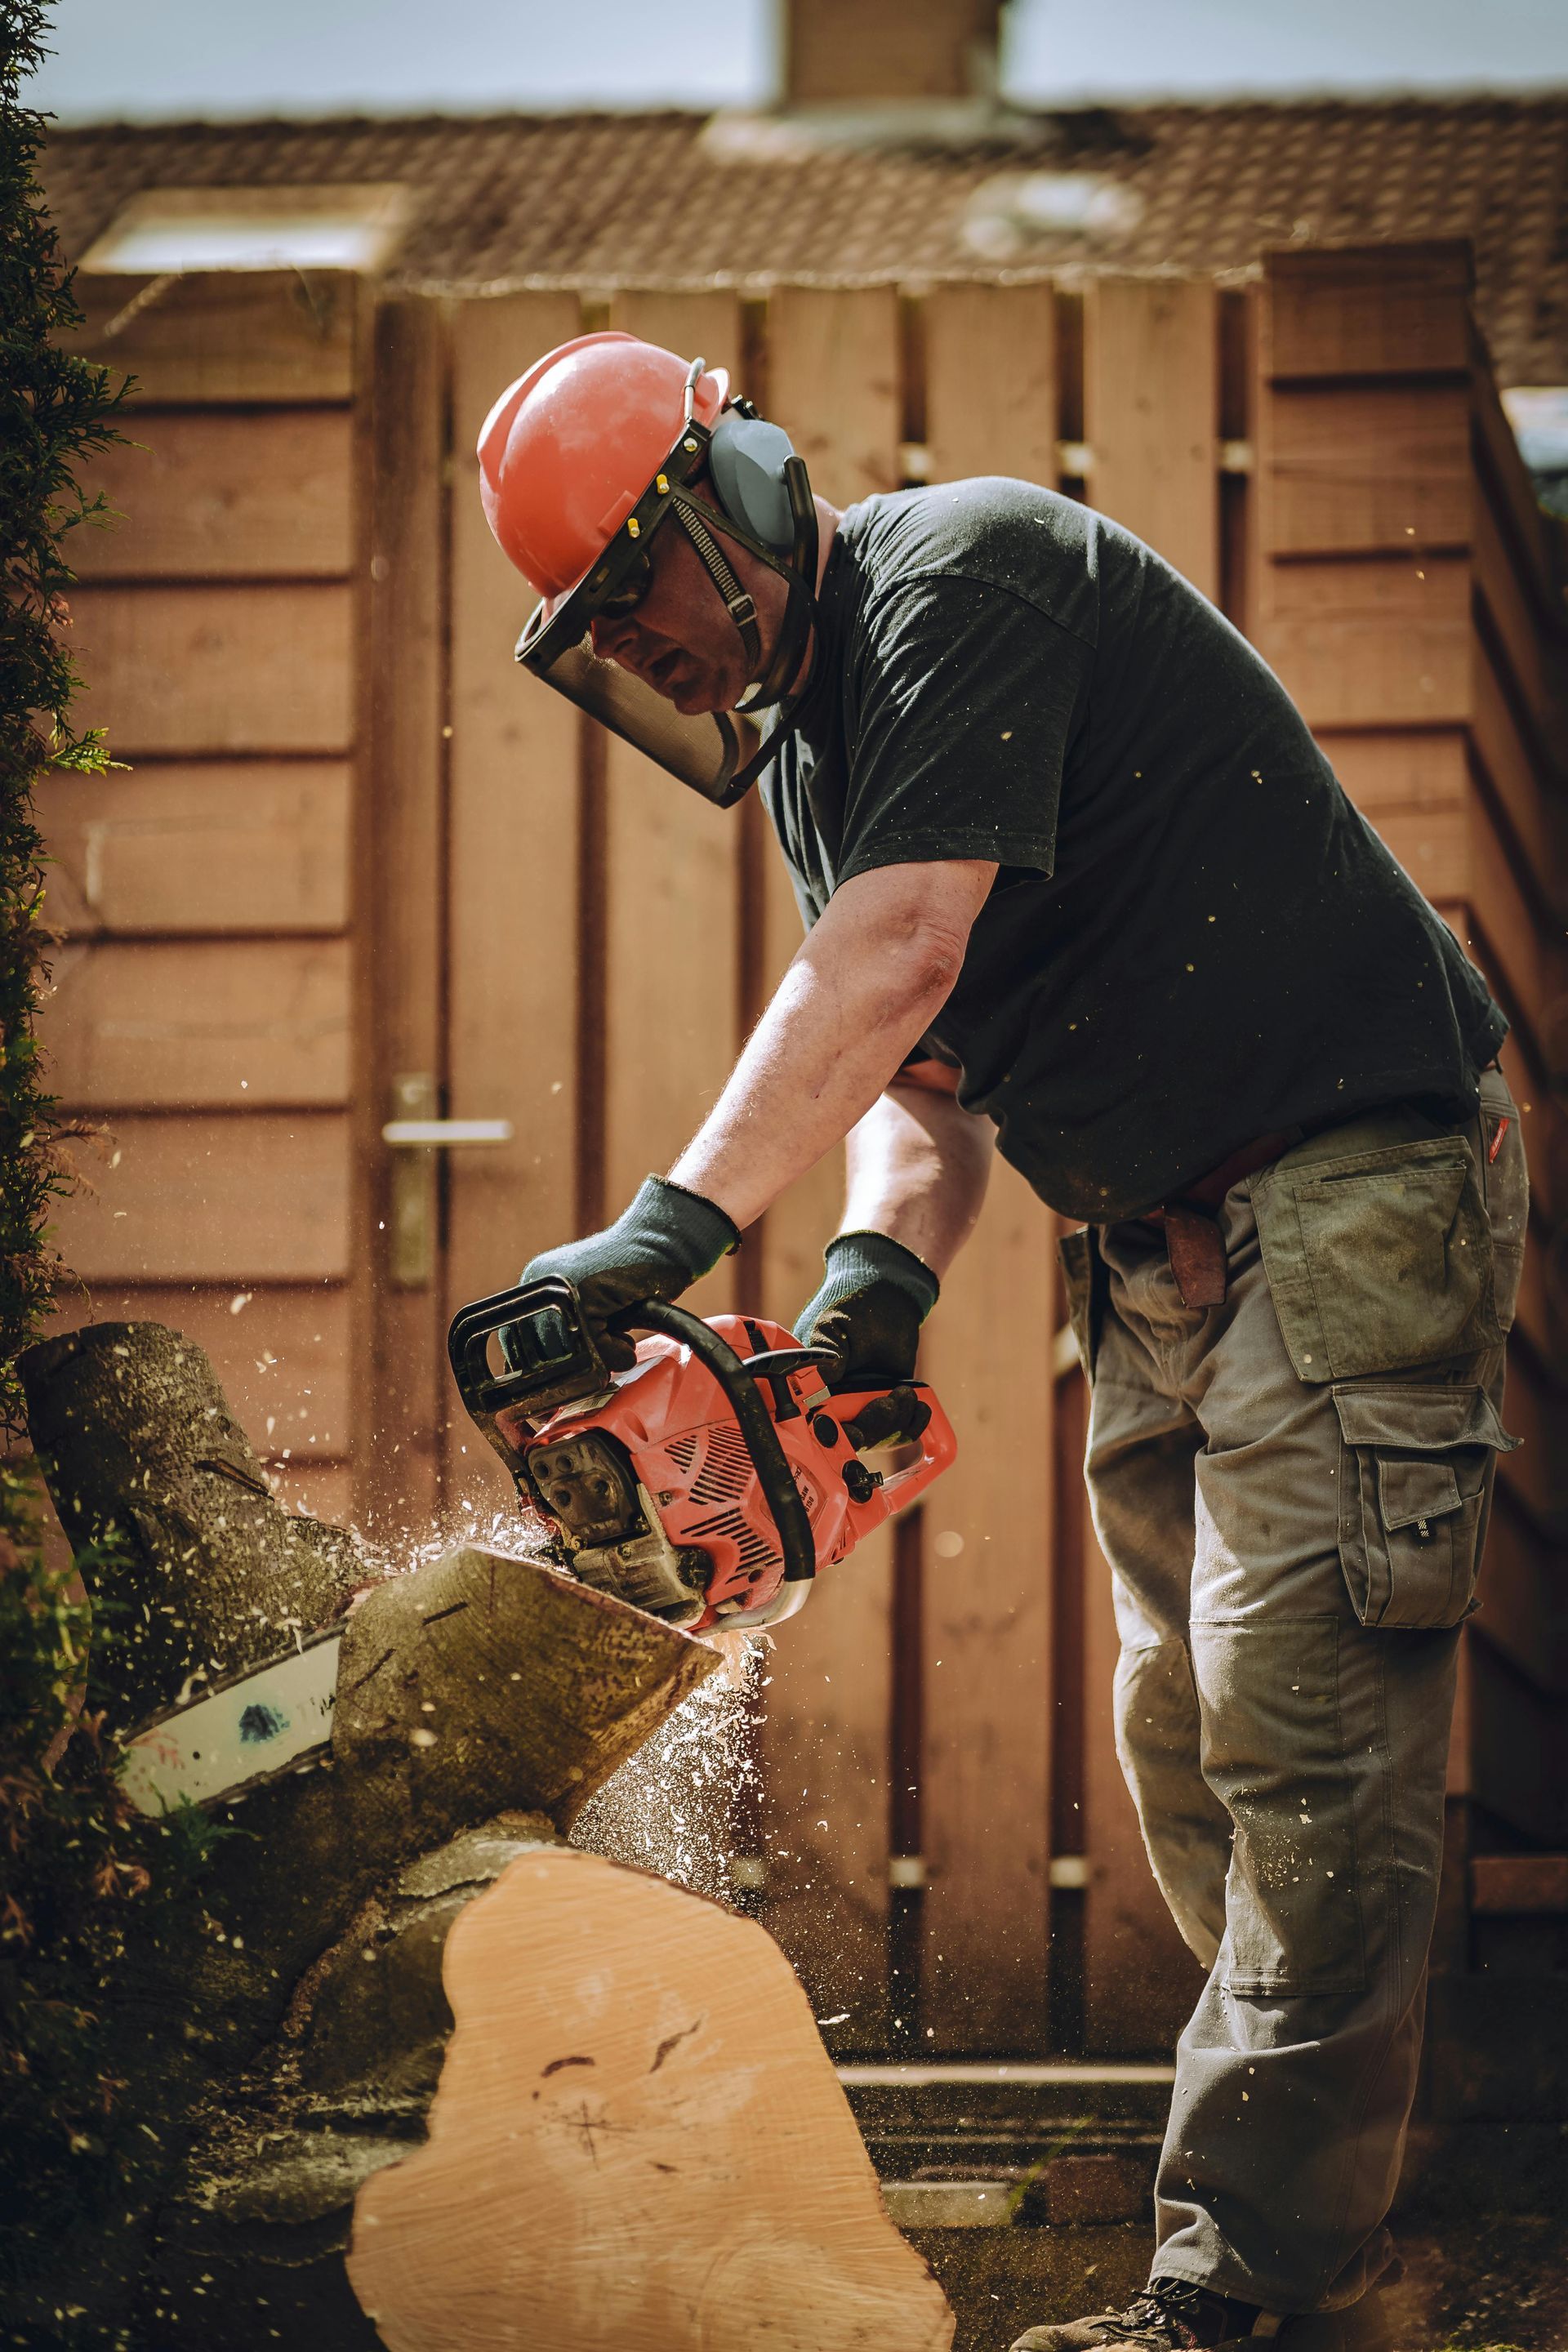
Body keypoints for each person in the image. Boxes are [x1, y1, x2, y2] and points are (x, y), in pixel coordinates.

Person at [474, 332, 1526, 2352]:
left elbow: (898, 955)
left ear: (732, 498)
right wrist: (881, 1280)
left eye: (638, 594)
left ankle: (1241, 2295)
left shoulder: (967, 577)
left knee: (1301, 1735)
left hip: (1351, 1166)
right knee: (1193, 1751)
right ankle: (1320, 2252)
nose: (644, 647)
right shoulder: (816, 758)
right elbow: (928, 1081)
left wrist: (671, 1234)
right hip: (1153, 1238)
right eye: (598, 628)